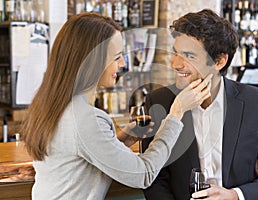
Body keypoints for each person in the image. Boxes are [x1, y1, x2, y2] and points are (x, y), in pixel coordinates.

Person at [21, 13, 213, 199]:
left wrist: (119, 140)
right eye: (117, 57)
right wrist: (176, 113)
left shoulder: (53, 105)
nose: (123, 63)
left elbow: (80, 154)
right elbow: (143, 175)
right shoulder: (87, 119)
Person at [142, 9, 258, 200]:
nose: (175, 64)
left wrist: (235, 196)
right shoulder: (159, 102)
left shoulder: (256, 102)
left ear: (219, 61)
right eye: (176, 53)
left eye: (189, 56)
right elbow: (153, 179)